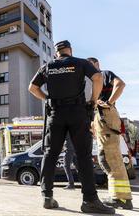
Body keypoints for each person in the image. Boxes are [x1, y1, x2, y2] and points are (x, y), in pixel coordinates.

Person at [28, 40, 114, 214]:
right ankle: (89, 200)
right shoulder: (80, 62)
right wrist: (93, 101)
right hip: (77, 113)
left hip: (55, 114)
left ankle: (47, 196)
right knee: (83, 155)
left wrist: (47, 99)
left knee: (50, 154)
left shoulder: (48, 66)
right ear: (70, 50)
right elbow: (97, 78)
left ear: (56, 53)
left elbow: (32, 87)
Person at [88, 57, 132, 210]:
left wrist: (109, 102)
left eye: (90, 65)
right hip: (101, 119)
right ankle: (118, 196)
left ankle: (122, 198)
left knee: (111, 159)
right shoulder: (93, 81)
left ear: (97, 65)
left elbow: (120, 84)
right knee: (105, 159)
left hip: (106, 116)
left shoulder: (105, 74)